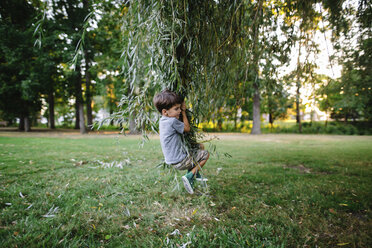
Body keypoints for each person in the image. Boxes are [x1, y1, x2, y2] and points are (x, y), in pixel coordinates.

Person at [153, 90, 209, 194]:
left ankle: (194, 175)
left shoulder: (163, 120)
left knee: (200, 146)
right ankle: (190, 176)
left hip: (172, 160)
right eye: (176, 109)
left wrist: (178, 110)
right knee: (205, 155)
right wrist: (184, 111)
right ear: (165, 112)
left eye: (179, 108)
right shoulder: (172, 121)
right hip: (181, 161)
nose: (179, 110)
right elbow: (187, 128)